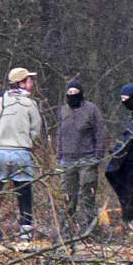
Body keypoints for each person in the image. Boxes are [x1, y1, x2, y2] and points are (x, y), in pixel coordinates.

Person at [0, 66, 42, 239]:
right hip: (21, 153)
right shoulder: (30, 104)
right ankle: (26, 230)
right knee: (24, 191)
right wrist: (28, 141)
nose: (32, 83)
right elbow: (35, 129)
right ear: (21, 83)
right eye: (29, 80)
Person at [57, 77, 107, 232]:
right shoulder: (63, 110)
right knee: (68, 196)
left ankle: (89, 229)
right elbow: (59, 134)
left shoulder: (91, 109)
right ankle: (67, 229)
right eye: (70, 92)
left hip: (87, 158)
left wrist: (98, 155)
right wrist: (59, 155)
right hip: (67, 159)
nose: (72, 95)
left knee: (87, 194)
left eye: (75, 92)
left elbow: (100, 132)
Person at [104, 83, 133, 224]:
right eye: (122, 99)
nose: (124, 102)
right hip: (132, 158)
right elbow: (128, 135)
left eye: (126, 99)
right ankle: (130, 215)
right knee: (113, 173)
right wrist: (118, 148)